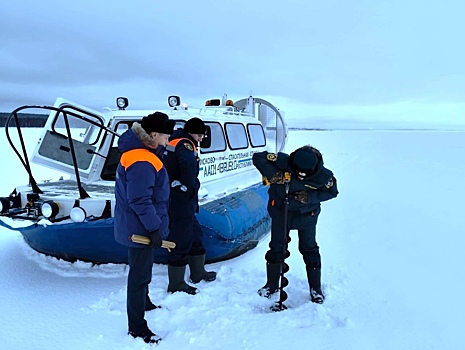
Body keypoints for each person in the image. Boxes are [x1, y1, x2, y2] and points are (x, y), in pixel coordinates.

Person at [114, 112, 175, 344]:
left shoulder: (143, 154)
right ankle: (137, 327)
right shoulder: (142, 159)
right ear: (154, 134)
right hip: (140, 228)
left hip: (138, 225)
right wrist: (154, 228)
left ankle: (145, 303)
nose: (168, 141)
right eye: (166, 136)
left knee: (143, 269)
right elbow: (140, 199)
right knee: (139, 277)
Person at [252, 145, 338, 304]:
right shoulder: (283, 161)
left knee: (309, 248)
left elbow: (332, 192)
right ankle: (271, 285)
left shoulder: (324, 176)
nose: (302, 177)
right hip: (280, 212)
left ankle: (315, 288)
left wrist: (309, 197)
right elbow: (258, 157)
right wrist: (274, 175)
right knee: (277, 247)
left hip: (306, 216)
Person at [162, 117, 217, 295]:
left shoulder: (174, 139)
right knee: (181, 239)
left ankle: (198, 273)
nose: (201, 139)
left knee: (195, 235)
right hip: (181, 200)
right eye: (200, 135)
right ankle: (176, 283)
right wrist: (188, 186)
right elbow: (188, 166)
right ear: (192, 132)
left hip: (182, 200)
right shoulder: (186, 144)